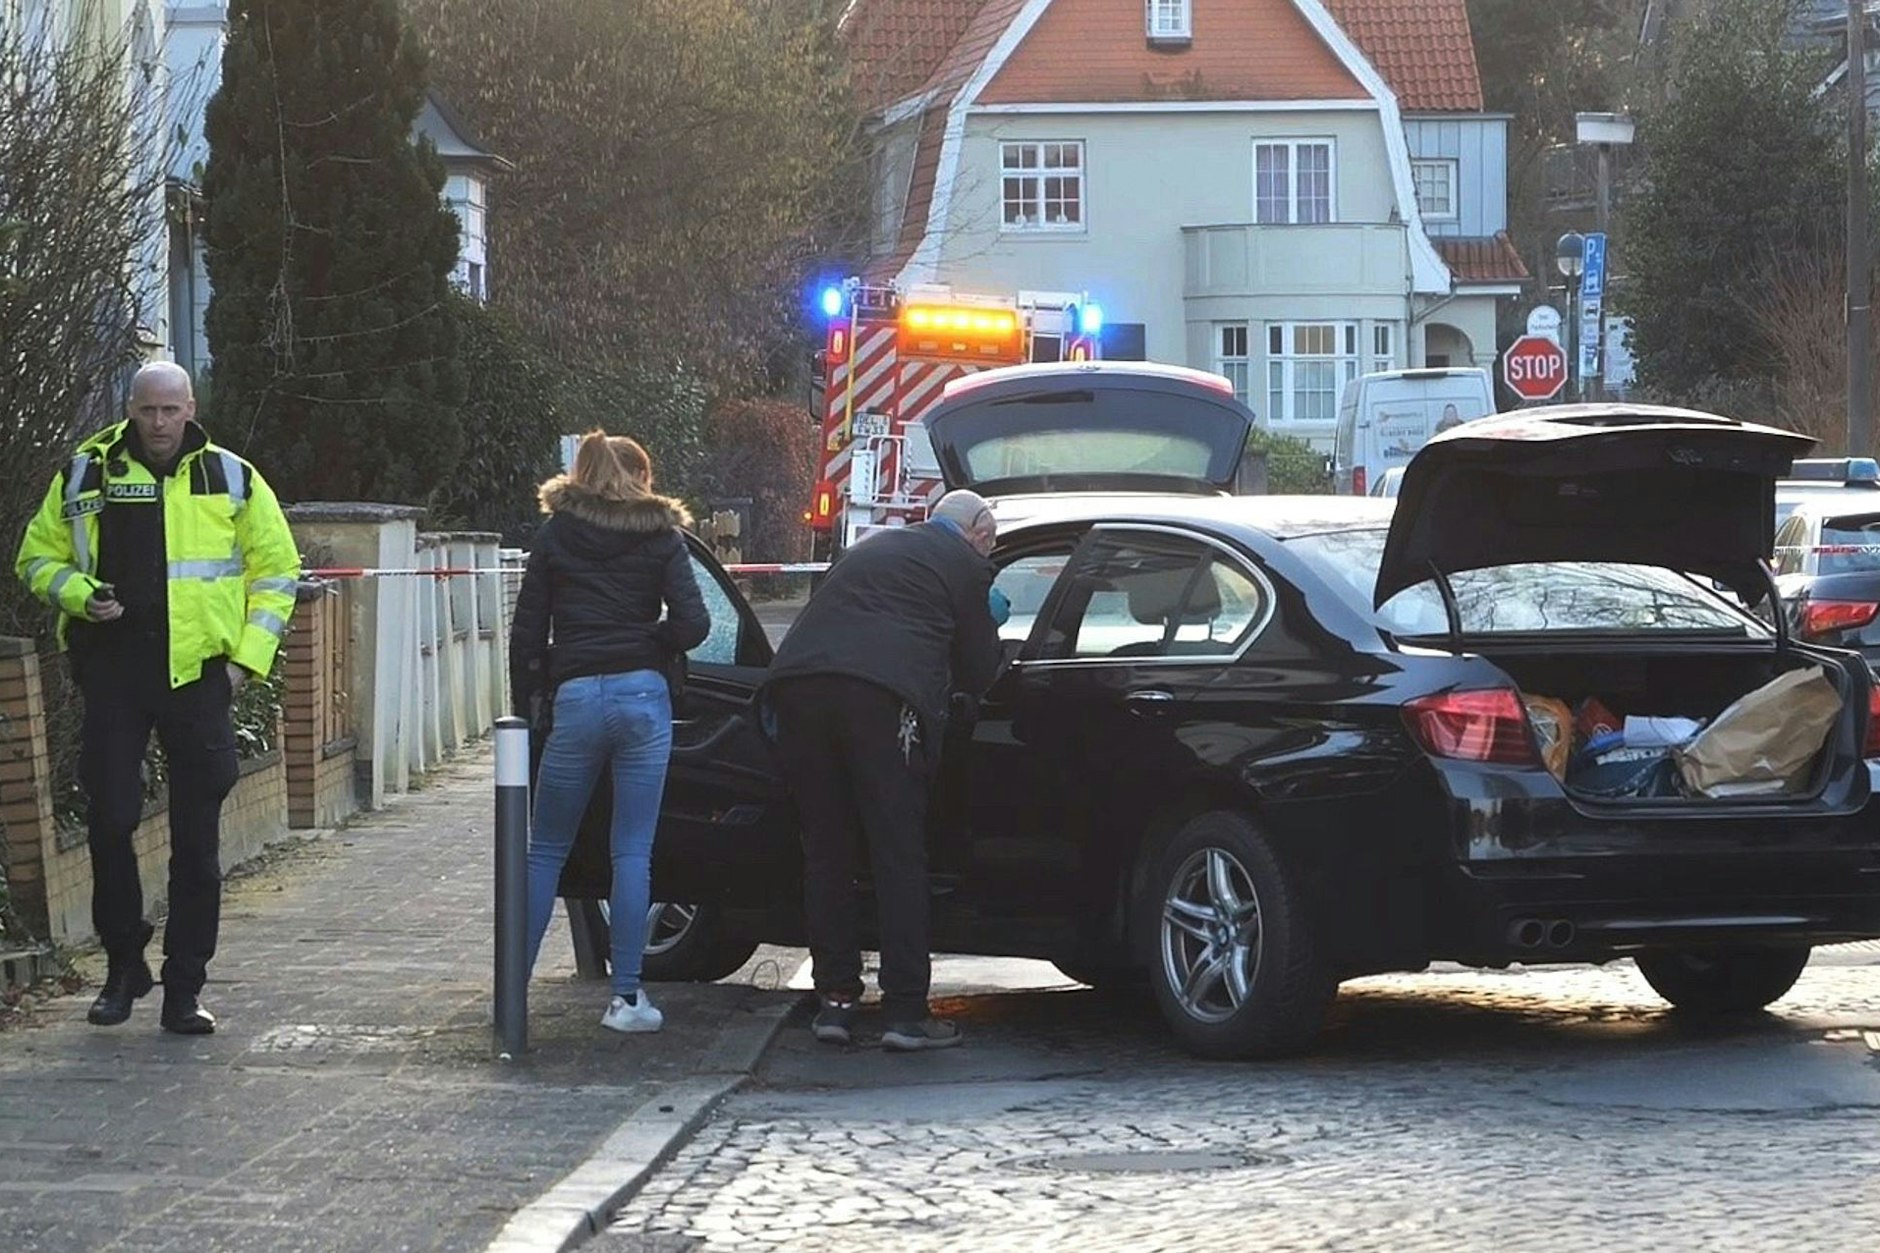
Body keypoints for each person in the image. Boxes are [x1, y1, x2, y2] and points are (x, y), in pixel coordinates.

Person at [14, 362, 301, 1034]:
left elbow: (278, 570)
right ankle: (123, 966)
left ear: (191, 408)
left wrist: (245, 664)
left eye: (171, 410)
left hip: (198, 676)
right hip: (114, 672)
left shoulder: (231, 477)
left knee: (196, 844)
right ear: (130, 410)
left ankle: (184, 987)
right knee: (110, 820)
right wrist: (81, 595)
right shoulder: (86, 473)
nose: (160, 423)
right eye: (148, 410)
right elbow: (35, 559)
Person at [761, 490, 1005, 1052]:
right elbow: (980, 670)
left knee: (827, 852)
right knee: (897, 853)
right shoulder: (965, 564)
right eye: (989, 545)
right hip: (881, 701)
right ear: (980, 533)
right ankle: (905, 1013)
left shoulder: (872, 549)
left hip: (797, 692)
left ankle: (836, 1002)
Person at [509, 431, 709, 1034]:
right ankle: (626, 1000)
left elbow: (526, 633)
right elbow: (695, 624)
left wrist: (528, 710)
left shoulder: (555, 535)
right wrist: (651, 640)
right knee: (632, 851)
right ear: (639, 477)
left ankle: (511, 994)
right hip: (643, 697)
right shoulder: (662, 536)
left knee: (546, 849)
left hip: (576, 696)